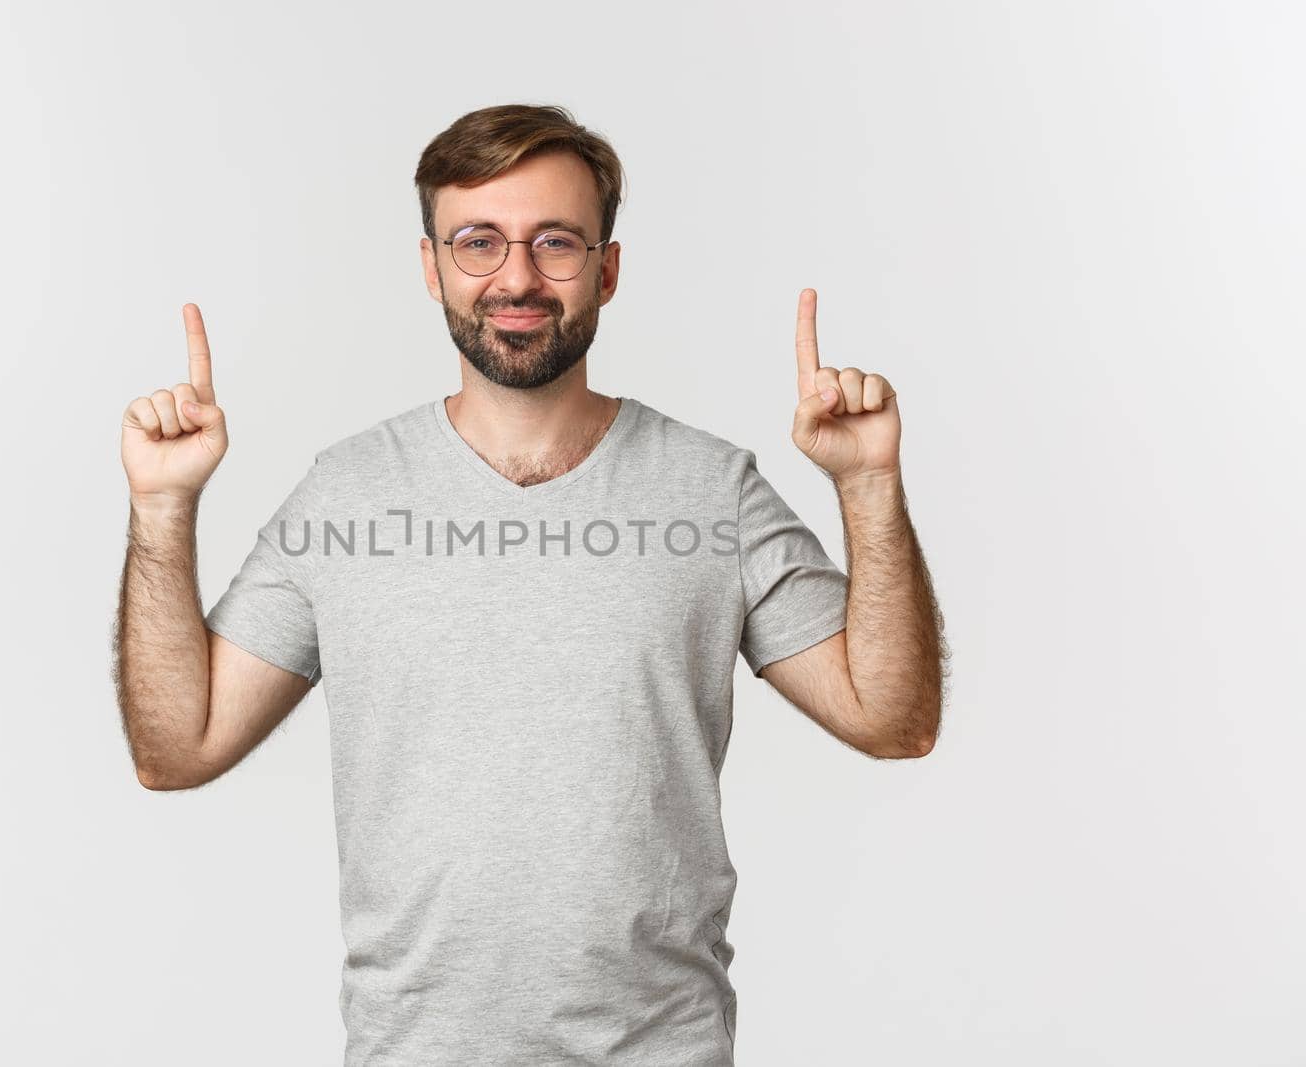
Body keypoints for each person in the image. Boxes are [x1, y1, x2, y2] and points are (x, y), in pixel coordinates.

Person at [114, 103, 947, 1066]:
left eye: (555, 242)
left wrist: (870, 486)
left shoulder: (712, 490)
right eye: (478, 242)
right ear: (431, 268)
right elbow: (175, 749)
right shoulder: (343, 495)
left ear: (608, 268)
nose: (516, 277)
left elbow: (895, 720)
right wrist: (164, 510)